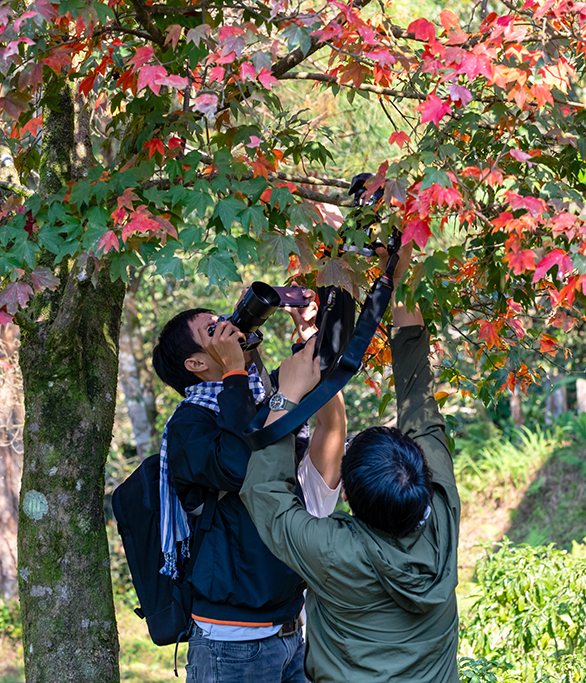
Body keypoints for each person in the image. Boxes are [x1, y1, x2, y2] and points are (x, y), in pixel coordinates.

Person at [240, 243, 461, 682]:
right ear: (422, 470)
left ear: (348, 493)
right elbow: (418, 397)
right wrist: (397, 275)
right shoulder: (439, 515)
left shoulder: (333, 550)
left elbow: (264, 491)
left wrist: (288, 392)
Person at [150, 292, 345, 683]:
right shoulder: (188, 426)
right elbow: (245, 467)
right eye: (212, 330)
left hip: (292, 634)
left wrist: (309, 335)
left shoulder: (257, 400)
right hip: (231, 646)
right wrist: (235, 374)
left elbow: (327, 423)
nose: (228, 328)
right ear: (196, 363)